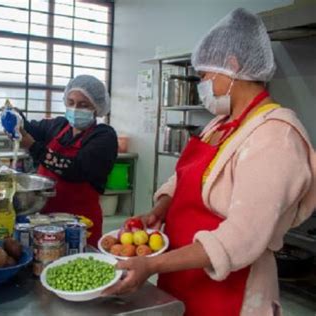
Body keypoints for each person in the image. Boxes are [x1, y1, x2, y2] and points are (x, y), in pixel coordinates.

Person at [103, 8, 316, 316]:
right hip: (182, 275)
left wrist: (151, 264)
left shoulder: (276, 135)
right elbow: (184, 180)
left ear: (231, 66)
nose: (202, 86)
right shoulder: (220, 125)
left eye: (203, 76)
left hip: (230, 290)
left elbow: (242, 237)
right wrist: (159, 210)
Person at [16, 75, 118, 247]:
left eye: (83, 105)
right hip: (44, 221)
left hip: (80, 225)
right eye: (70, 102)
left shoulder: (104, 136)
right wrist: (16, 118)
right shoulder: (58, 126)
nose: (75, 108)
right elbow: (29, 128)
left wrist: (33, 147)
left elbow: (76, 169)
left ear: (97, 107)